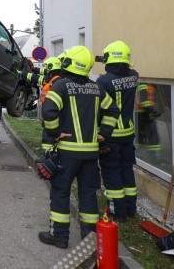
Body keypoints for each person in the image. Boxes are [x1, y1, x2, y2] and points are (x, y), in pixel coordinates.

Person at [39, 46, 119, 249]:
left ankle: (59, 237)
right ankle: (90, 240)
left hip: (67, 153)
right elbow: (113, 110)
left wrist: (55, 133)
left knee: (60, 193)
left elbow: (48, 112)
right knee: (88, 194)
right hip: (91, 155)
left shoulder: (61, 86)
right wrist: (104, 134)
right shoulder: (97, 88)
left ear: (68, 63)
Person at [96, 41, 139, 221]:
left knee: (112, 172)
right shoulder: (134, 76)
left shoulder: (103, 81)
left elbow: (100, 109)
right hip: (128, 133)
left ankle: (117, 213)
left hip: (111, 133)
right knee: (127, 170)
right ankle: (130, 209)